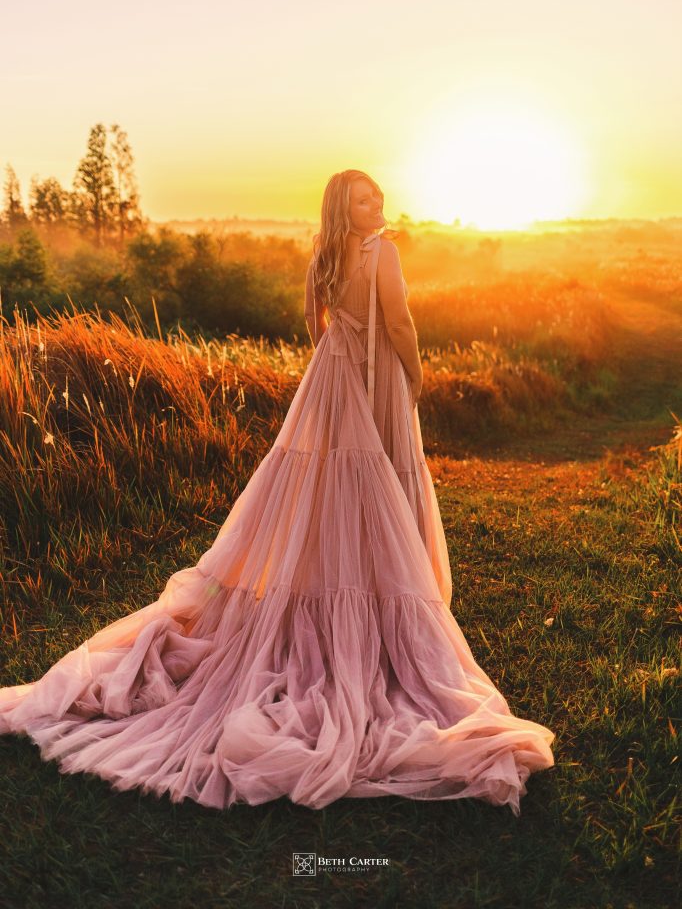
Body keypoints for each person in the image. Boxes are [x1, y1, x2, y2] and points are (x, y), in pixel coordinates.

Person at [0, 168, 555, 815]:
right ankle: (381, 614)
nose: (375, 206)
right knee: (380, 492)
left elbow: (312, 322)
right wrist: (414, 374)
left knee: (327, 498)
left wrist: (338, 355)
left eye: (376, 196)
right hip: (374, 378)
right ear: (343, 210)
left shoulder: (321, 254)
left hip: (331, 379)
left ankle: (347, 599)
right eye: (362, 201)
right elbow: (400, 322)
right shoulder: (384, 252)